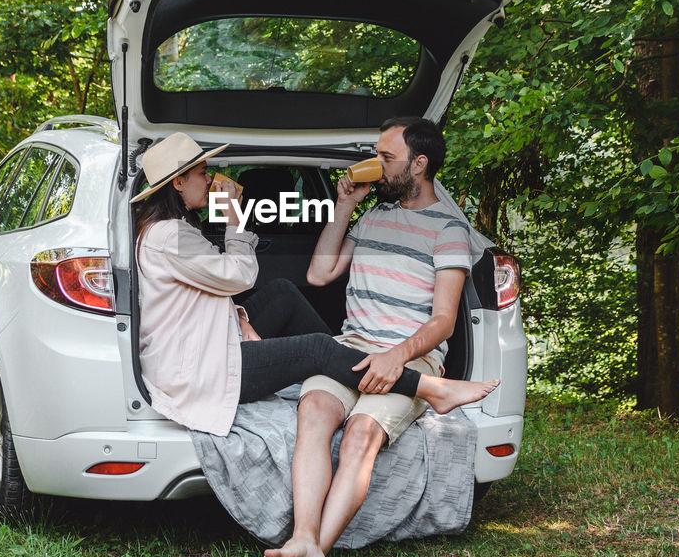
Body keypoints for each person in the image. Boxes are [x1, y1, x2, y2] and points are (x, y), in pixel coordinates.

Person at [132, 131, 498, 440]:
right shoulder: (170, 236)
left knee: (282, 293)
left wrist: (240, 319)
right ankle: (430, 388)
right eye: (202, 173)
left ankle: (343, 368)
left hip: (206, 343)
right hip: (200, 368)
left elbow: (208, 292)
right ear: (177, 183)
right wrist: (234, 217)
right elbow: (240, 276)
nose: (210, 181)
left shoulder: (174, 230)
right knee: (317, 349)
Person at [253, 116, 485, 557]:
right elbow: (320, 276)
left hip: (411, 358)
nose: (375, 166)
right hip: (352, 346)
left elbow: (443, 319)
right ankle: (302, 540)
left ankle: (315, 550)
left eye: (386, 157)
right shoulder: (374, 215)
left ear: (419, 164)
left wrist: (397, 356)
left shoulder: (449, 230)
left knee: (360, 435)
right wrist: (343, 208)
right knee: (314, 412)